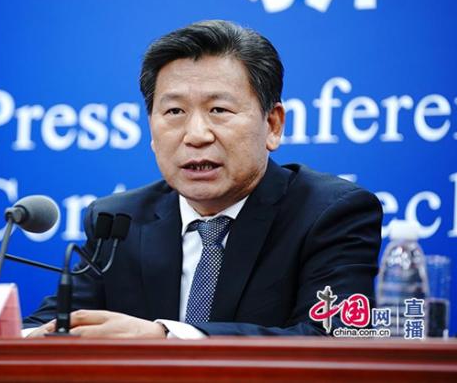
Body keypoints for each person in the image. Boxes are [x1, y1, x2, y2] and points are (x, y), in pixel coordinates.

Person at [24, 20, 382, 338]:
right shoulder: (120, 221)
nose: (196, 135)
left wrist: (166, 338)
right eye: (175, 111)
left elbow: (336, 337)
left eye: (219, 110)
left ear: (272, 125)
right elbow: (50, 326)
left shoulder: (329, 214)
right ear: (151, 129)